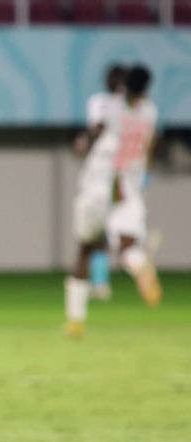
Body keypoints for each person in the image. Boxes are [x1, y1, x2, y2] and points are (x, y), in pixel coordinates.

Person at [65, 65, 161, 338]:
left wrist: (82, 143)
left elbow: (97, 130)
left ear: (122, 84)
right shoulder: (150, 112)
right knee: (128, 246)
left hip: (99, 185)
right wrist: (146, 174)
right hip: (130, 186)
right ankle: (140, 265)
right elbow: (149, 145)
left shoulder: (107, 106)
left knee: (85, 248)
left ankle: (75, 321)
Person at [75, 64, 127, 302]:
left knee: (90, 237)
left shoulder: (100, 102)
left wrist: (85, 141)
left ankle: (134, 255)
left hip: (101, 177)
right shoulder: (139, 108)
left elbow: (98, 126)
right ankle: (102, 282)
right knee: (106, 231)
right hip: (124, 173)